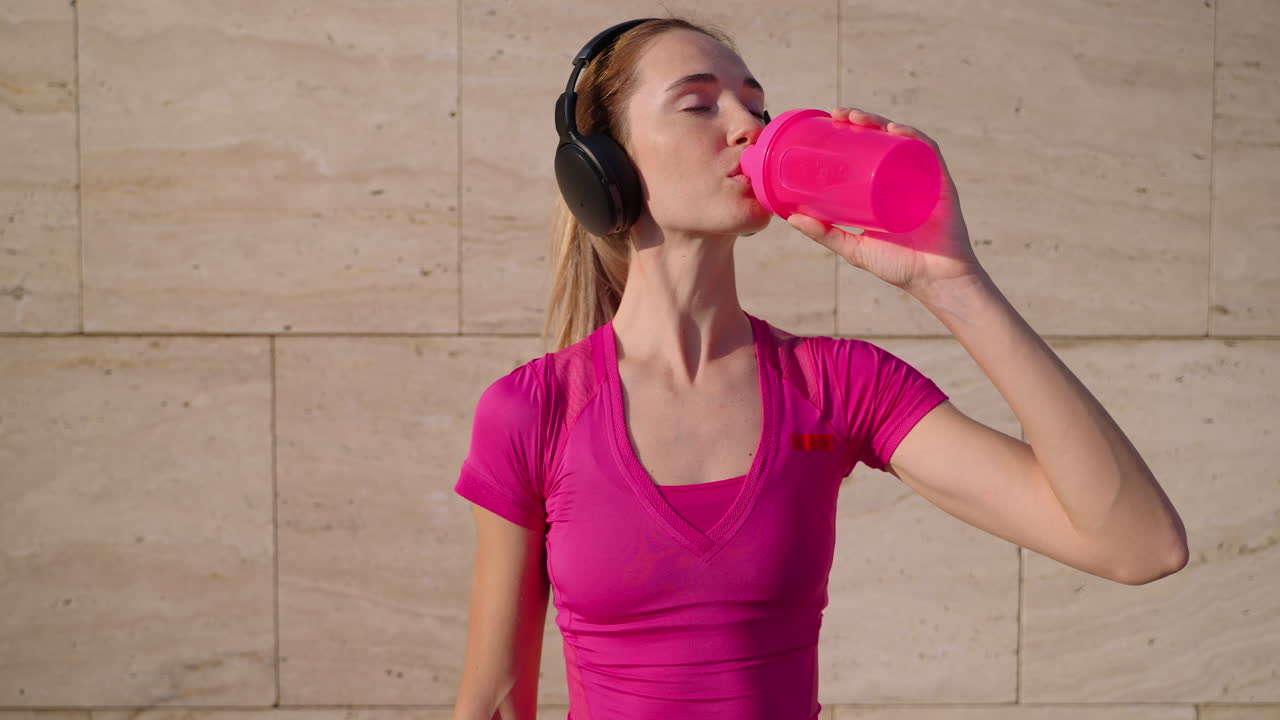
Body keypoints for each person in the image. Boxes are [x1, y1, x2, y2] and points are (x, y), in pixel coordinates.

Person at [452, 16, 1188, 720]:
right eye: (699, 103)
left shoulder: (840, 386)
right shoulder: (535, 410)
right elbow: (492, 703)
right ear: (603, 163)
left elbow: (1140, 546)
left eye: (756, 105)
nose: (748, 126)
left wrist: (952, 280)